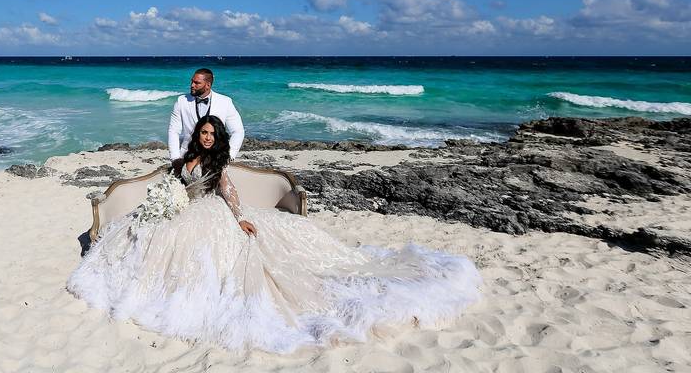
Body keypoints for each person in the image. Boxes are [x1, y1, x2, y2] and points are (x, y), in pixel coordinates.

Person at [67, 115, 481, 353]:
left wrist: (240, 216)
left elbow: (227, 190)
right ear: (196, 135)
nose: (206, 138)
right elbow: (172, 186)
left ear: (217, 139)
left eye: (212, 134)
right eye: (203, 133)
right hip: (181, 212)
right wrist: (166, 200)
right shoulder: (182, 160)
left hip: (210, 214)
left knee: (228, 254)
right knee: (148, 239)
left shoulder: (217, 163)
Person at [168, 68, 244, 161]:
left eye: (197, 83)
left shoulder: (225, 102)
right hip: (188, 155)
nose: (192, 85)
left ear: (208, 85)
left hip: (216, 157)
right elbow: (174, 131)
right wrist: (175, 158)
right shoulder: (181, 101)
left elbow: (238, 131)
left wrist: (229, 156)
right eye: (192, 82)